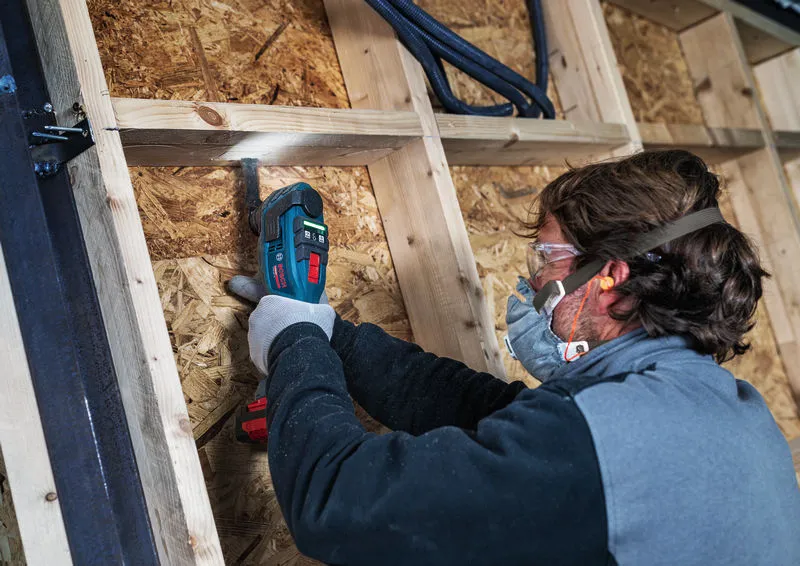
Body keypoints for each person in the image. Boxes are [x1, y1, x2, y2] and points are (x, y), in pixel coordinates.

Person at [228, 150, 800, 565]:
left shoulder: (603, 441)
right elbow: (493, 418)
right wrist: (331, 334)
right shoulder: (727, 413)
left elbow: (338, 504)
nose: (535, 277)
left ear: (612, 280)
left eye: (548, 256)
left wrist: (295, 342)